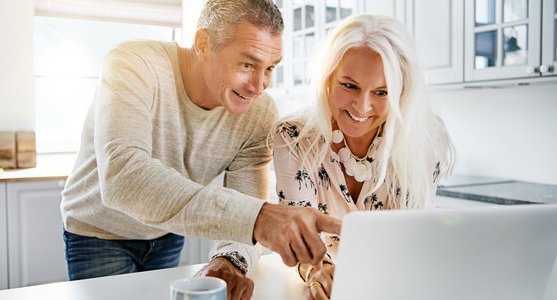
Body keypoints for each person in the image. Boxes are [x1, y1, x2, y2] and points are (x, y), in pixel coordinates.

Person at [60, 0, 341, 299]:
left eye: (269, 68)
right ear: (203, 44)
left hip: (166, 231)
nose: (259, 86)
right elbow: (122, 178)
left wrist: (230, 259)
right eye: (247, 64)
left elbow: (247, 201)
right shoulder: (133, 64)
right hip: (98, 232)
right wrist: (259, 218)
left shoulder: (258, 113)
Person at [272, 14, 456, 300]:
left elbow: (413, 238)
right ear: (328, 77)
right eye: (350, 85)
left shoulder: (426, 138)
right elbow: (300, 233)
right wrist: (318, 274)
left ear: (402, 93)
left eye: (382, 92)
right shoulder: (294, 137)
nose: (362, 106)